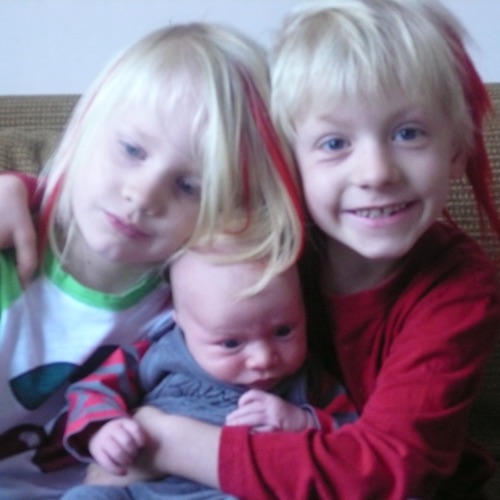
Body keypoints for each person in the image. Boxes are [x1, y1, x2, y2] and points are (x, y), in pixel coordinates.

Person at [80, 1, 499, 499]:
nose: (375, 172)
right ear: (287, 159)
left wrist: (169, 444)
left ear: (457, 152)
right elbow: (142, 214)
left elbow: (389, 472)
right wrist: (18, 193)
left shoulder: (459, 288)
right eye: (334, 143)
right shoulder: (257, 239)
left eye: (408, 133)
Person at [0, 22, 304, 499]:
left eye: (189, 186)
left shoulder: (203, 309)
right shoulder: (9, 245)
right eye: (132, 150)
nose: (142, 195)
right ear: (85, 127)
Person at [59, 242, 356, 499]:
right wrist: (104, 429)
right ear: (181, 325)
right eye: (231, 343)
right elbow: (93, 389)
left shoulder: (309, 378)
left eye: (283, 331)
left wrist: (302, 420)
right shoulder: (157, 354)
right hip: (145, 491)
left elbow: (350, 437)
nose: (263, 358)